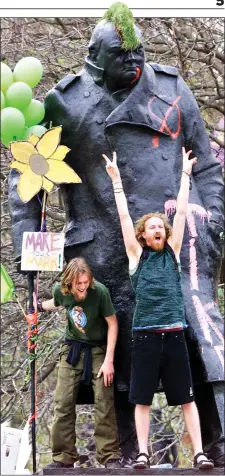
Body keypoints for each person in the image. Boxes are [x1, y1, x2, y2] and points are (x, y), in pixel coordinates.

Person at [8, 2, 224, 465]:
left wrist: (214, 220)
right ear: (93, 55)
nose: (133, 59)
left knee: (199, 343)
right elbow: (30, 182)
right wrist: (32, 256)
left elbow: (205, 163)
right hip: (100, 249)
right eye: (120, 52)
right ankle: (124, 454)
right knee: (118, 356)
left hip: (175, 244)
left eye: (138, 51)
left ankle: (215, 446)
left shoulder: (171, 89)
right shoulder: (63, 103)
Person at [103, 147, 214, 470]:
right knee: (141, 399)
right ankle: (142, 453)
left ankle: (199, 453)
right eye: (151, 227)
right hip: (146, 338)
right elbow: (124, 216)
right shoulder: (138, 257)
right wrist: (116, 181)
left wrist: (184, 173)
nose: (157, 230)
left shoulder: (174, 252)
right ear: (143, 235)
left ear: (165, 235)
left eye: (159, 227)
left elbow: (180, 212)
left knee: (187, 399)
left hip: (175, 336)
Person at [36, 257, 121, 469]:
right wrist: (37, 307)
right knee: (62, 402)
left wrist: (109, 359)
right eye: (78, 284)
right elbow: (56, 303)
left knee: (104, 400)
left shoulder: (99, 292)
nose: (82, 287)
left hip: (98, 350)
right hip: (72, 349)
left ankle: (110, 456)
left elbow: (113, 324)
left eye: (85, 283)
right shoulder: (61, 291)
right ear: (69, 283)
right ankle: (63, 457)